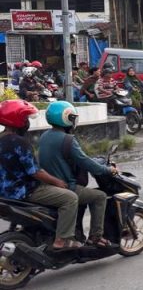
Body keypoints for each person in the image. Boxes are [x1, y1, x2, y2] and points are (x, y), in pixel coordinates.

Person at [0, 99, 82, 251]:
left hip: (4, 194)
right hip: (25, 191)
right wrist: (57, 181)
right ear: (17, 120)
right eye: (25, 119)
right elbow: (35, 172)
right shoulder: (20, 143)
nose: (27, 123)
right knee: (71, 198)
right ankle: (62, 240)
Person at [37, 101, 117, 248]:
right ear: (66, 118)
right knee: (99, 197)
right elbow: (84, 161)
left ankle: (77, 231)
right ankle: (96, 237)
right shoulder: (68, 139)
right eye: (72, 117)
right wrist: (107, 170)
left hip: (49, 185)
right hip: (66, 186)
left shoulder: (44, 136)